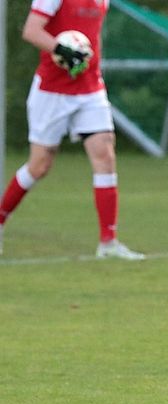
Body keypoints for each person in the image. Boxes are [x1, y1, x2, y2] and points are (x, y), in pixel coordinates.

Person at [0, 0, 142, 259]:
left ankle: (108, 242)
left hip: (90, 89)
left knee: (105, 155)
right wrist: (62, 49)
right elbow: (31, 30)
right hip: (52, 92)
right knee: (39, 166)